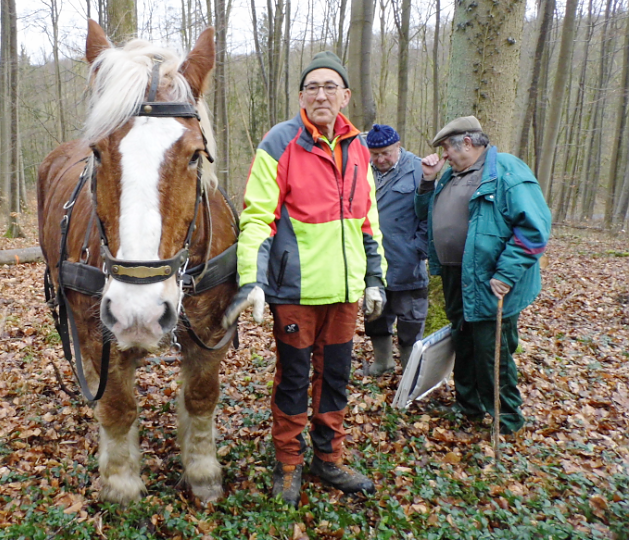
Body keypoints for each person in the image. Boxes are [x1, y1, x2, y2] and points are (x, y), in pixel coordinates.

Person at [222, 51, 386, 506]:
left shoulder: (358, 149)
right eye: (312, 87)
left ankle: (328, 459)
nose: (320, 94)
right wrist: (252, 281)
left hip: (345, 293)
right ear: (300, 96)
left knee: (335, 378)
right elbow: (257, 217)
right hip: (295, 292)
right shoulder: (280, 142)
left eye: (330, 86)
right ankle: (288, 463)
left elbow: (368, 221)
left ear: (345, 96)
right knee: (293, 379)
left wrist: (375, 278)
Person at [415, 116, 551, 434]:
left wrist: (506, 273)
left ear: (467, 142)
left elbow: (535, 230)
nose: (444, 154)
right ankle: (469, 407)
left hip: (491, 280)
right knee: (463, 343)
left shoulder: (506, 170)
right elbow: (424, 213)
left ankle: (506, 418)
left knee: (492, 351)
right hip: (455, 276)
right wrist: (428, 181)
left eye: (448, 146)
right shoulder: (450, 177)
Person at [363, 124, 429, 375]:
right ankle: (382, 364)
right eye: (375, 153)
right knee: (375, 316)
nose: (380, 159)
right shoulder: (362, 171)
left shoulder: (419, 170)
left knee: (411, 321)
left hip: (407, 264)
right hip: (373, 263)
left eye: (386, 153)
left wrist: (418, 248)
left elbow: (430, 214)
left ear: (398, 147)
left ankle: (411, 373)